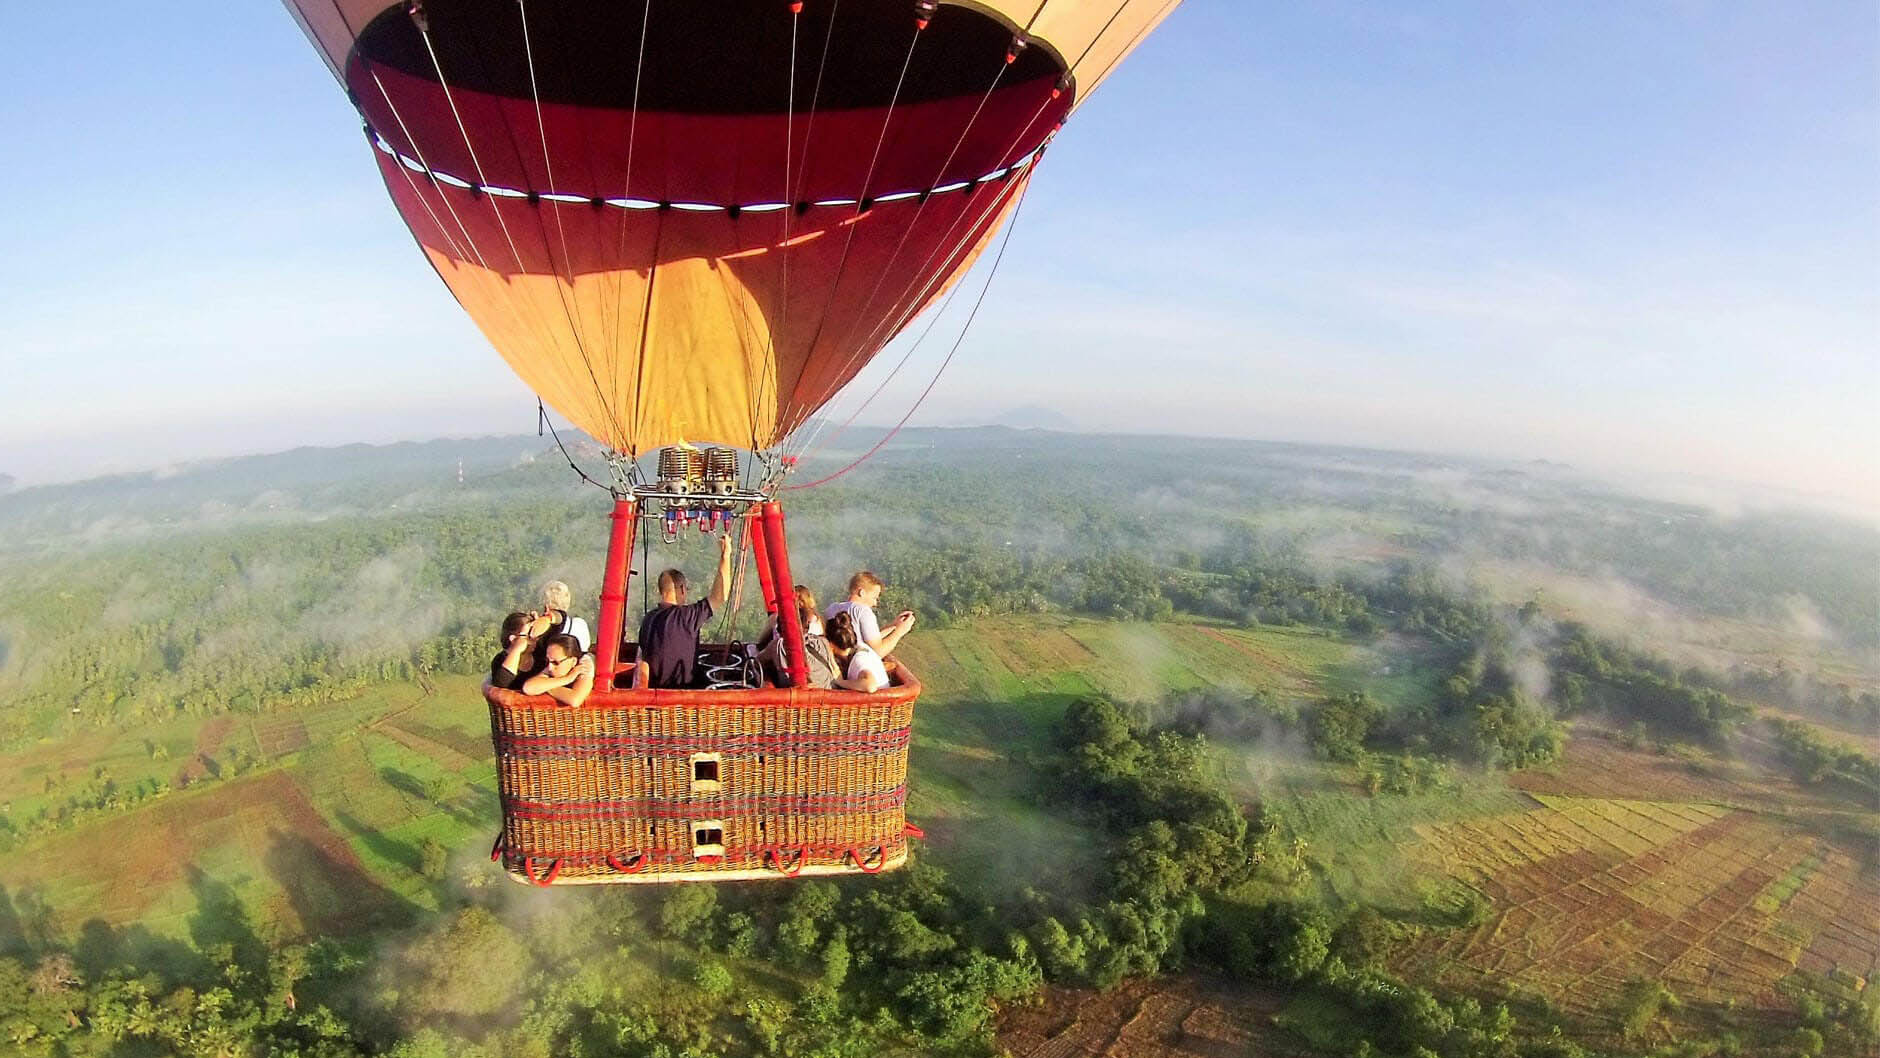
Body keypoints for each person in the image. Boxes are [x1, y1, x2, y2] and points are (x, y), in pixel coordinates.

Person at [633, 532, 732, 689]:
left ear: (661, 591)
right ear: (682, 589)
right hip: (683, 700)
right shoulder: (686, 617)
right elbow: (721, 596)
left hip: (655, 695)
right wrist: (725, 556)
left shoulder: (648, 619)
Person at [758, 585, 838, 689]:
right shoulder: (822, 640)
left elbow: (758, 658)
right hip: (826, 691)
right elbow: (834, 668)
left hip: (800, 692)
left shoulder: (778, 644)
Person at [825, 571, 915, 658]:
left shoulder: (832, 608)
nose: (875, 603)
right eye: (874, 597)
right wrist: (900, 632)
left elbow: (867, 639)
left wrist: (894, 626)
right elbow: (878, 652)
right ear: (862, 592)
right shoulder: (863, 611)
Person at [522, 633, 595, 707]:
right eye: (547, 661)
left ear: (573, 661)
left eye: (555, 663)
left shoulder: (585, 665)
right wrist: (567, 679)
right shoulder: (551, 663)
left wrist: (545, 687)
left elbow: (575, 700)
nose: (550, 667)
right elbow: (528, 687)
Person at [825, 611, 890, 693]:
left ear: (831, 645)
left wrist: (841, 682)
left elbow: (870, 686)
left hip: (879, 703)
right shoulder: (860, 647)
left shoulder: (859, 660)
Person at [527, 580, 591, 653]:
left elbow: (559, 618)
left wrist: (544, 620)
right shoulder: (581, 624)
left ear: (546, 607)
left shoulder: (547, 632)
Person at [490, 611, 541, 690]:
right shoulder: (499, 660)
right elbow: (501, 684)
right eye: (529, 635)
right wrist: (517, 650)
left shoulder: (540, 655)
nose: (535, 639)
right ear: (513, 639)